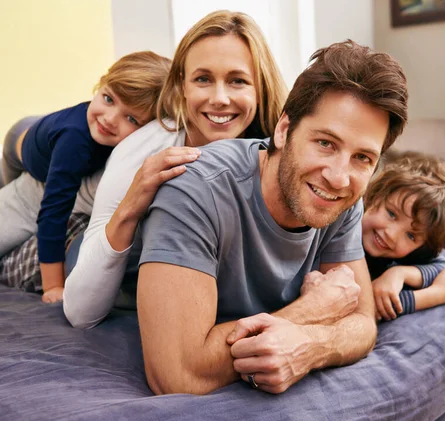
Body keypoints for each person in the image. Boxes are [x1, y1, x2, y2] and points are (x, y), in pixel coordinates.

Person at [136, 39, 409, 397]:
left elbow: (362, 324)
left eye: (363, 158)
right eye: (325, 143)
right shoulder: (194, 189)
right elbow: (177, 376)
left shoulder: (343, 196)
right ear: (283, 131)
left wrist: (312, 346)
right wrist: (312, 311)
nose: (339, 176)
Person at [58, 10, 288, 328]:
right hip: (102, 245)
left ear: (259, 87)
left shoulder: (279, 145)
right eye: (203, 79)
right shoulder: (141, 150)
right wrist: (131, 205)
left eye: (237, 81)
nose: (220, 98)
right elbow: (80, 311)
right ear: (182, 86)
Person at [0, 51, 171, 303]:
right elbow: (53, 213)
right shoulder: (76, 142)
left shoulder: (114, 136)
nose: (109, 119)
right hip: (24, 157)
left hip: (46, 147)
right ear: (100, 85)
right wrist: (53, 287)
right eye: (108, 99)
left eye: (131, 118)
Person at [362, 151, 445, 321]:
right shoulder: (342, 233)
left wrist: (399, 273)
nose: (391, 235)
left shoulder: (408, 257)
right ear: (374, 195)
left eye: (411, 236)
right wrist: (437, 294)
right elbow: (368, 308)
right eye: (391, 214)